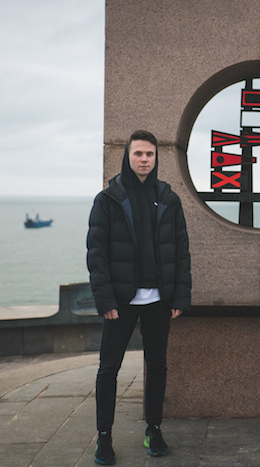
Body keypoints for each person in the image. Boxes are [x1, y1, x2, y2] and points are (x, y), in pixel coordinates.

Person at [87, 130, 192, 465]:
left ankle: (154, 429)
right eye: (138, 154)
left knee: (157, 366)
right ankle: (104, 437)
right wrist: (105, 300)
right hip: (121, 301)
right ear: (127, 156)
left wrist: (180, 295)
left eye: (149, 154)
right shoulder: (109, 199)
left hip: (159, 300)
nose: (144, 159)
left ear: (155, 158)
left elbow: (181, 251)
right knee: (109, 369)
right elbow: (96, 254)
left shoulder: (168, 198)